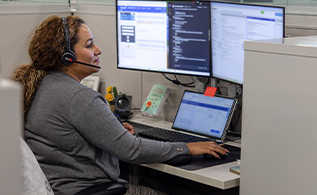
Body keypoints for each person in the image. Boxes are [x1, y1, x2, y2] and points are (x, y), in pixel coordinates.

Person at [11, 15, 228, 195]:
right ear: (66, 56)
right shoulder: (79, 96)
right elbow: (132, 150)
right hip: (86, 189)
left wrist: (109, 128)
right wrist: (187, 147)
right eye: (89, 45)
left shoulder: (40, 84)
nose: (98, 50)